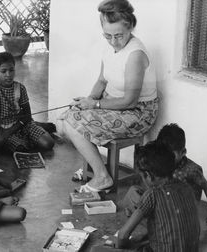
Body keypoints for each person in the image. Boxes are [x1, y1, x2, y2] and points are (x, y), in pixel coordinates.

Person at [59, 0, 158, 192]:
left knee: (72, 124)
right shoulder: (109, 47)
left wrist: (94, 105)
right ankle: (97, 166)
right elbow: (102, 81)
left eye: (119, 36)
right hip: (113, 104)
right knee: (66, 118)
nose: (113, 41)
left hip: (138, 113)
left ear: (130, 27)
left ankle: (102, 176)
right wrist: (86, 102)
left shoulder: (135, 54)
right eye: (108, 36)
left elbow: (130, 101)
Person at [117, 141, 200, 251]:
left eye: (142, 176)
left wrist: (123, 248)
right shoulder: (187, 187)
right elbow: (174, 227)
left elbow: (122, 235)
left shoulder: (153, 194)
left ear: (148, 175)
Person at [0, 52, 54, 153]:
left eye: (11, 70)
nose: (8, 75)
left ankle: (36, 129)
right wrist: (0, 134)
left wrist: (9, 132)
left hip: (20, 124)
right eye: (3, 71)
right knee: (21, 150)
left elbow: (27, 115)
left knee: (48, 143)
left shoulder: (20, 88)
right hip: (1, 127)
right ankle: (37, 130)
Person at [157, 123, 207, 225]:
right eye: (164, 155)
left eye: (171, 156)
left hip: (186, 211)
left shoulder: (192, 169)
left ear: (183, 152)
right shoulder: (165, 164)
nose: (166, 159)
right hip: (170, 205)